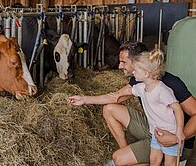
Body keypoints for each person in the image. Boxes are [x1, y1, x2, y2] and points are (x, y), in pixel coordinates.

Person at [67, 41, 196, 166]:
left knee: (118, 158)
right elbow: (115, 97)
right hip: (154, 130)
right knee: (109, 109)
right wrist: (84, 99)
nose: (119, 66)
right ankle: (130, 155)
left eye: (124, 62)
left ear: (139, 63)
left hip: (177, 139)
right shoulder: (139, 81)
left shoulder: (170, 84)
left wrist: (176, 137)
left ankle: (130, 159)